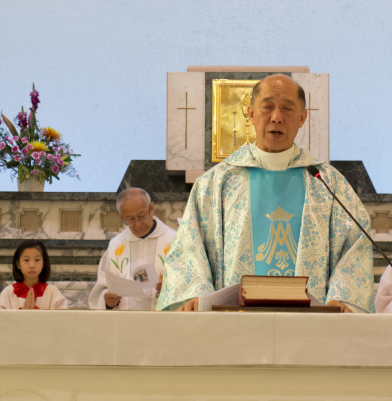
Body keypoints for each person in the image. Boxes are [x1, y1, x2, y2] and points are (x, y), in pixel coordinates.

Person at [156, 74, 374, 312]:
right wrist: (197, 296)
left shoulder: (328, 183)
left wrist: (341, 298)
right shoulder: (216, 183)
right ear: (250, 114)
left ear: (302, 117)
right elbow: (189, 251)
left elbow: (354, 247)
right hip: (234, 322)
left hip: (310, 325)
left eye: (287, 108)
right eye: (267, 107)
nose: (277, 117)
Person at [89, 187, 176, 310]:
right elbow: (102, 289)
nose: (138, 224)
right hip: (125, 320)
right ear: (122, 217)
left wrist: (173, 287)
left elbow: (192, 285)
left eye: (141, 216)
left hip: (163, 319)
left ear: (151, 208)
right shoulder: (115, 245)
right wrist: (108, 301)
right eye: (130, 219)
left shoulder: (175, 240)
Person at [0, 239, 68, 309]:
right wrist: (24, 312)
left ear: (43, 263)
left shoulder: (52, 292)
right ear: (18, 264)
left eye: (37, 260)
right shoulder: (8, 292)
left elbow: (62, 316)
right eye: (26, 260)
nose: (32, 265)